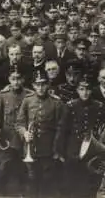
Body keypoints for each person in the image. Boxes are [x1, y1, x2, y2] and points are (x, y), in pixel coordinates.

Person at [16, 69, 67, 198]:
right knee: (31, 181)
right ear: (33, 85)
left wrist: (56, 150)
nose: (40, 87)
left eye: (43, 84)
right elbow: (19, 123)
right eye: (37, 84)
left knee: (47, 182)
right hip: (30, 148)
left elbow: (60, 128)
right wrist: (25, 133)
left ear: (48, 85)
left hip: (48, 149)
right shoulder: (27, 100)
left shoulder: (56, 102)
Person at [0, 65, 33, 196]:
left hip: (25, 139)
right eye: (13, 78)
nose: (16, 82)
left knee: (25, 170)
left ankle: (22, 192)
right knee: (3, 167)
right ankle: (1, 192)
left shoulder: (30, 95)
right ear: (9, 79)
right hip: (7, 139)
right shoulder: (3, 96)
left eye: (19, 78)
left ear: (23, 80)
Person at [62, 75, 105, 198]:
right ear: (77, 90)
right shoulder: (70, 106)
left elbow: (102, 129)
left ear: (92, 90)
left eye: (88, 89)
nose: (85, 92)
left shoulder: (99, 106)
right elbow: (63, 130)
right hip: (73, 150)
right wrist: (61, 152)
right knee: (72, 183)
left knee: (90, 184)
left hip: (92, 153)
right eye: (81, 89)